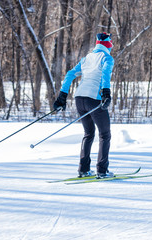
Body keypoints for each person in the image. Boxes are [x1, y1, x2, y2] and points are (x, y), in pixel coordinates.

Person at [53, 32, 114, 179]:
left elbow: (70, 74)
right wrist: (106, 92)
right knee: (105, 134)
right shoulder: (107, 58)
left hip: (79, 99)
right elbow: (105, 73)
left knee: (89, 133)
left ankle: (84, 169)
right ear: (108, 45)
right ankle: (102, 171)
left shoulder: (86, 58)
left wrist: (62, 96)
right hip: (94, 98)